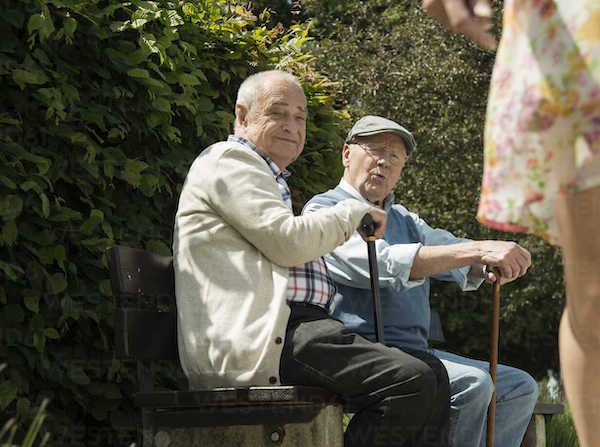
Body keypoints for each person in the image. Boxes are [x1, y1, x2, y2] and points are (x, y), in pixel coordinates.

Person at [173, 71, 451, 446]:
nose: (292, 126)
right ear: (242, 115)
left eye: (300, 117)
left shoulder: (267, 177)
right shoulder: (229, 163)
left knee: (432, 373)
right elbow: (286, 243)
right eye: (278, 112)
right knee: (410, 381)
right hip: (267, 338)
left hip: (301, 329)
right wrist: (353, 213)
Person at [423, 2, 600, 446]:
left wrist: (472, 255)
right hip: (579, 34)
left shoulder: (404, 219)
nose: (386, 161)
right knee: (595, 287)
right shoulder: (336, 209)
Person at [303, 115, 539, 447]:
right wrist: (479, 250)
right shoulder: (324, 210)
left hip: (415, 353)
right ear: (346, 154)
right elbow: (381, 264)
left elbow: (447, 250)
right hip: (361, 353)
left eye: (395, 156)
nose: (384, 161)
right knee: (474, 383)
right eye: (375, 150)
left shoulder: (406, 220)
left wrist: (484, 264)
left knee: (519, 387)